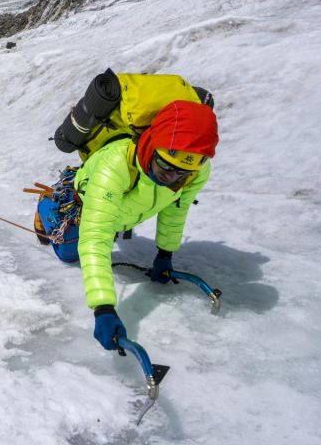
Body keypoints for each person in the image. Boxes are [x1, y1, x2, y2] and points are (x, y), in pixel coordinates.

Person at [37, 99, 219, 351]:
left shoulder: (196, 170)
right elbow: (95, 237)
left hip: (122, 212)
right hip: (82, 203)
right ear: (151, 147)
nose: (172, 179)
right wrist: (103, 308)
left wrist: (165, 253)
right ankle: (46, 205)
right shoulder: (115, 165)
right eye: (165, 167)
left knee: (108, 227)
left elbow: (176, 209)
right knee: (69, 255)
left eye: (182, 174)